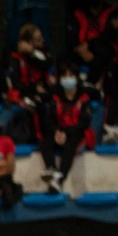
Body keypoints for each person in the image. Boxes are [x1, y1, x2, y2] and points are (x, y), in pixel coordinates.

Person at [39, 63, 94, 193]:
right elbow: (50, 120)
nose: (67, 78)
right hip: (59, 130)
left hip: (77, 131)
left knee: (69, 146)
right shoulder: (56, 97)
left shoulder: (84, 97)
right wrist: (57, 132)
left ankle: (59, 179)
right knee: (45, 143)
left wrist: (66, 133)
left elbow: (84, 123)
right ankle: (52, 169)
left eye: (70, 75)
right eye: (64, 76)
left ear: (76, 77)